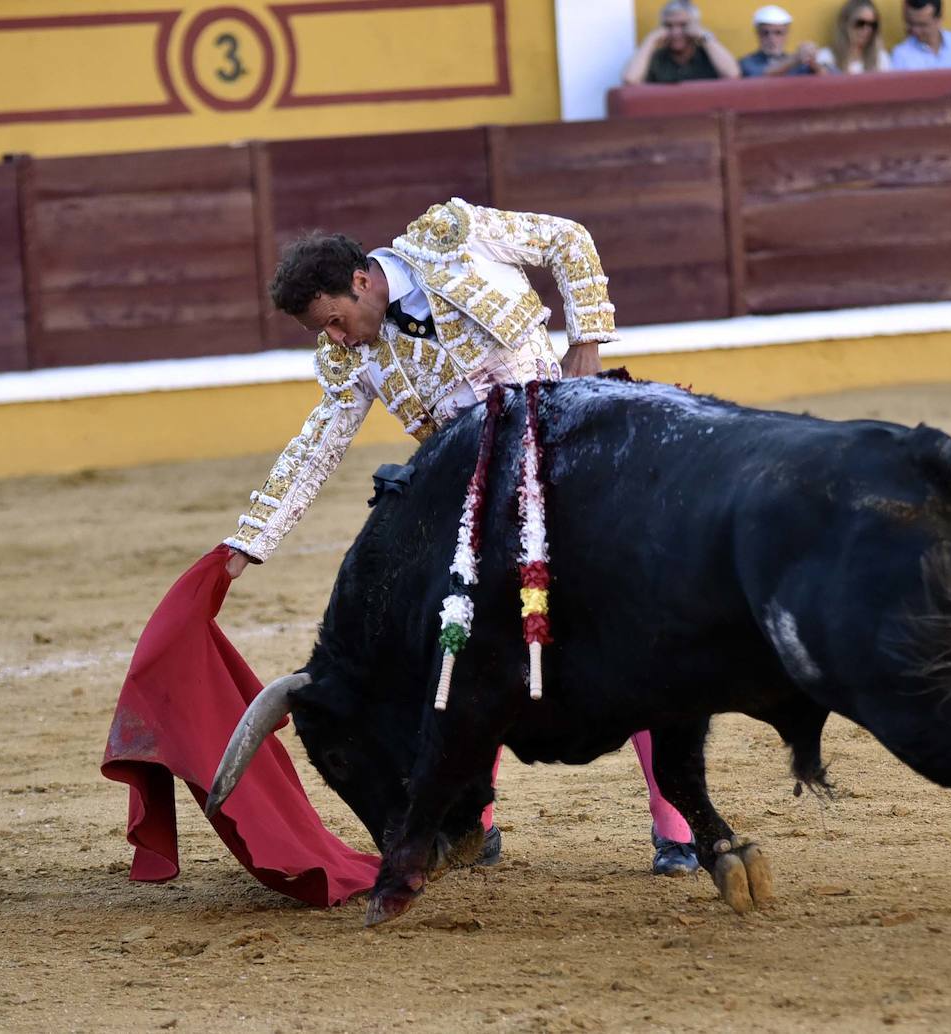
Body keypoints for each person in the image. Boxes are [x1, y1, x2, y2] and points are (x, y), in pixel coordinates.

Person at [223, 200, 700, 876]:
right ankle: (476, 824)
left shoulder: (453, 237)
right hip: (476, 506)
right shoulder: (351, 358)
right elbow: (316, 447)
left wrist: (586, 342)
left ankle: (676, 828)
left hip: (566, 465)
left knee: (629, 639)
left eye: (333, 321)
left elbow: (568, 239)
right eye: (320, 332)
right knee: (462, 647)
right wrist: (248, 541)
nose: (335, 339)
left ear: (361, 282)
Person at [623, 1, 742, 84]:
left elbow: (733, 75)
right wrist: (649, 40)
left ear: (695, 27)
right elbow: (630, 80)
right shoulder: (656, 59)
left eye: (683, 25)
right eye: (668, 26)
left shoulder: (708, 55)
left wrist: (705, 36)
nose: (675, 32)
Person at [890, 0, 951, 69]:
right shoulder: (900, 55)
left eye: (922, 25)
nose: (915, 30)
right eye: (910, 23)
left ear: (939, 20)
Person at [739, 4, 823, 76]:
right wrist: (795, 59)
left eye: (778, 33)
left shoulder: (798, 62)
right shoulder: (747, 63)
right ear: (758, 34)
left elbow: (826, 77)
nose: (771, 39)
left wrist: (813, 61)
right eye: (765, 33)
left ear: (786, 35)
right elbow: (761, 75)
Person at [816, 0, 892, 72]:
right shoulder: (827, 57)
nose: (867, 30)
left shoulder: (881, 59)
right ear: (845, 23)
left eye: (872, 25)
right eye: (860, 23)